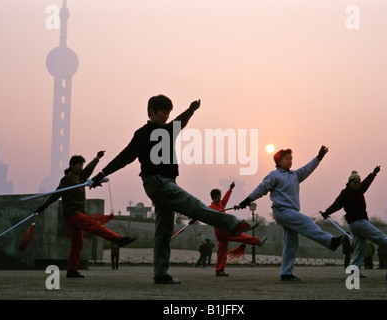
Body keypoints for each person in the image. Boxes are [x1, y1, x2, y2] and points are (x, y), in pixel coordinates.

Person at [90, 95, 258, 284]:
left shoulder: (168, 131)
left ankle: (160, 273)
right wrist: (100, 174)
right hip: (156, 182)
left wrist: (191, 110)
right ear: (151, 112)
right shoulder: (143, 134)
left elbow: (180, 121)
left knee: (163, 230)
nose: (166, 116)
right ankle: (232, 224)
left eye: (168, 113)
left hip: (167, 183)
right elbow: (124, 157)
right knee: (191, 204)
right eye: (163, 112)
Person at [235, 146, 344, 281]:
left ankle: (286, 273)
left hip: (291, 212)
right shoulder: (274, 175)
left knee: (292, 243)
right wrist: (247, 200)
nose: (290, 161)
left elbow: (307, 169)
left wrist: (318, 158)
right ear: (279, 161)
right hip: (282, 211)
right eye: (287, 159)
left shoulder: (295, 175)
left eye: (291, 159)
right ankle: (330, 242)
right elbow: (262, 188)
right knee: (307, 221)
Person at [35, 152, 135, 278]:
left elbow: (88, 170)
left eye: (82, 165)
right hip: (72, 214)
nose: (81, 167)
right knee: (94, 226)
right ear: (72, 165)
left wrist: (97, 158)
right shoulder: (67, 179)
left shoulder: (80, 178)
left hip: (78, 215)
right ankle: (118, 240)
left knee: (78, 244)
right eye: (79, 165)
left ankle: (71, 270)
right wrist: (43, 207)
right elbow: (56, 194)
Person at [320, 166, 387, 275]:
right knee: (378, 236)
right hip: (359, 222)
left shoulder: (359, 190)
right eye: (355, 182)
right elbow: (337, 204)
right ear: (349, 183)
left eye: (359, 182)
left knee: (360, 248)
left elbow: (366, 183)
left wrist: (373, 174)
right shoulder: (346, 192)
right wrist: (327, 212)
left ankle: (354, 271)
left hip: (354, 225)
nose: (357, 184)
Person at [210, 182, 267, 276]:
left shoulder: (221, 205)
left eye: (218, 198)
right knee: (240, 236)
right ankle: (256, 239)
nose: (217, 200)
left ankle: (219, 270)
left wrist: (230, 189)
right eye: (215, 198)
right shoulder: (210, 208)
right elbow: (202, 213)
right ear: (212, 199)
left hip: (221, 232)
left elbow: (225, 199)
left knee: (222, 251)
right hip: (222, 231)